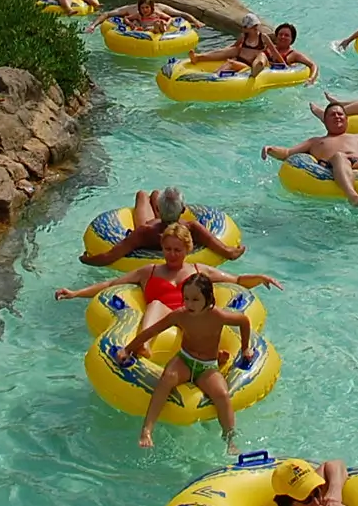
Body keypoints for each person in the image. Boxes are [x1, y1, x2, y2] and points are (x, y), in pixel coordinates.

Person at [56, 222, 281, 342]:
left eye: (177, 250)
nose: (172, 254)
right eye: (167, 249)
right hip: (159, 321)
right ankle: (143, 345)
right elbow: (110, 285)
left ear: (187, 249)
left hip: (192, 320)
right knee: (155, 304)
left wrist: (260, 278)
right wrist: (76, 293)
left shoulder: (198, 270)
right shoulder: (148, 271)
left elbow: (237, 280)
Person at [116, 271, 258, 448]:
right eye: (186, 298)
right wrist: (127, 349)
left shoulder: (218, 316)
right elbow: (152, 331)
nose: (189, 304)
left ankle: (230, 440)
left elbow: (244, 321)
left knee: (222, 394)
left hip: (207, 366)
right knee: (166, 379)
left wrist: (245, 348)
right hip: (185, 359)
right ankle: (147, 430)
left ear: (208, 298)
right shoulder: (180, 315)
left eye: (195, 299)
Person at [80, 186, 244, 265]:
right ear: (184, 210)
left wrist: (87, 259)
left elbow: (109, 257)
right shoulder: (192, 228)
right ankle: (160, 199)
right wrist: (239, 248)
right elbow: (228, 252)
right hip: (170, 223)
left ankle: (156, 199)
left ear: (157, 209)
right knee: (156, 194)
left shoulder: (145, 231)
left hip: (155, 226)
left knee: (142, 195)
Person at [93, 0, 204, 35]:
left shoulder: (160, 7)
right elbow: (107, 14)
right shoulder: (130, 9)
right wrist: (92, 26)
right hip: (141, 33)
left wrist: (196, 21)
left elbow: (181, 14)